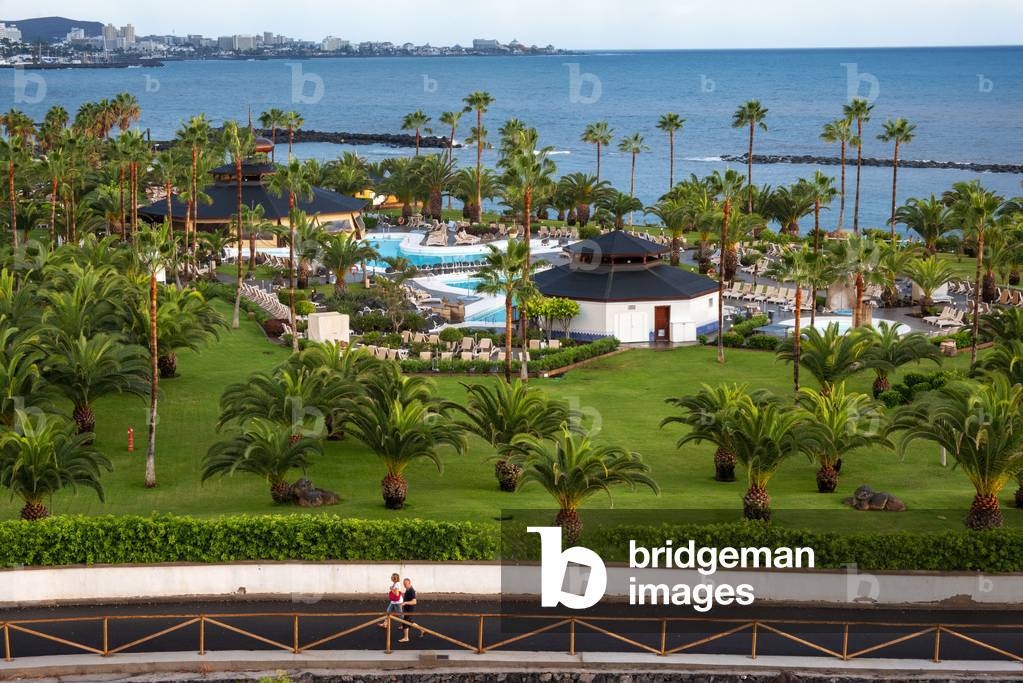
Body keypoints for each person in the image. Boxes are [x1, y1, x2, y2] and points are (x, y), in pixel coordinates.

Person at [397, 577, 422, 642]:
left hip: (409, 610)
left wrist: (405, 603)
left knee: (405, 623)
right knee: (409, 622)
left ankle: (406, 638)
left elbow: (414, 602)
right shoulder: (407, 589)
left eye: (406, 584)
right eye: (404, 584)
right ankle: (422, 630)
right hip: (406, 608)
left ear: (409, 583)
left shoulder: (412, 591)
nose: (404, 585)